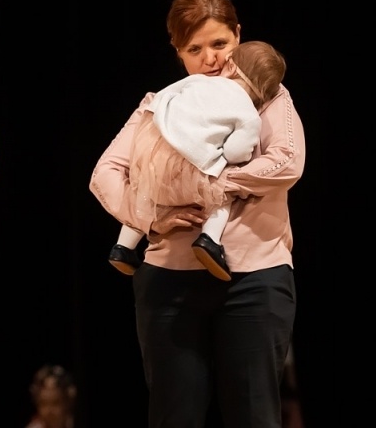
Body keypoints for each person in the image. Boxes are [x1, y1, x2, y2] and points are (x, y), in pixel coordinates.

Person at [90, 0, 305, 428]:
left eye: (219, 43)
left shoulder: (268, 95)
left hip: (256, 277)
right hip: (169, 281)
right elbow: (104, 174)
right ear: (177, 53)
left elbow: (287, 162)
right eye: (194, 49)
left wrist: (214, 181)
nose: (210, 59)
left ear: (237, 37)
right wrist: (151, 217)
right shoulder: (161, 104)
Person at [107, 41, 289, 281]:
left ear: (232, 66)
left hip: (154, 155)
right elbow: (237, 152)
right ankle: (209, 240)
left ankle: (123, 247)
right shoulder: (248, 112)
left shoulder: (198, 81)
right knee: (221, 196)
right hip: (193, 171)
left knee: (148, 195)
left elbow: (164, 97)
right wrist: (230, 154)